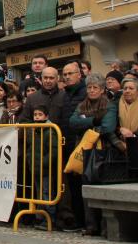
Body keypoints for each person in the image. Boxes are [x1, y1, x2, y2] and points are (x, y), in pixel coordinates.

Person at [69, 73, 118, 236]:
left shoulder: (109, 105)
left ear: (102, 89)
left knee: (102, 187)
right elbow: (73, 122)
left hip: (102, 151)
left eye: (95, 88)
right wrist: (93, 121)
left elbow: (108, 127)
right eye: (89, 87)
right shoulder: (82, 105)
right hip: (84, 151)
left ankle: (105, 226)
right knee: (86, 186)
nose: (91, 91)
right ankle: (91, 225)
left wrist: (89, 126)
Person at [58, 61, 87, 233]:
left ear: (79, 74)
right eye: (65, 74)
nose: (67, 77)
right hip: (67, 144)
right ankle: (77, 220)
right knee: (73, 187)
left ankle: (87, 221)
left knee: (82, 184)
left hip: (81, 145)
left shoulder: (85, 93)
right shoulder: (64, 94)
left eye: (71, 74)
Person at [29, 105, 59, 230]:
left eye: (40, 115)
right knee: (39, 193)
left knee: (47, 193)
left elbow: (54, 150)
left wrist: (44, 162)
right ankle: (41, 217)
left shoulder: (49, 131)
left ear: (46, 116)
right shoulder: (34, 130)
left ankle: (50, 218)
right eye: (35, 114)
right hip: (35, 167)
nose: (37, 117)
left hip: (45, 168)